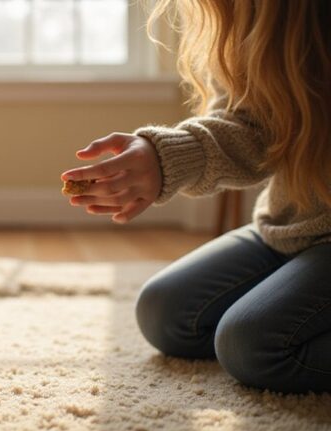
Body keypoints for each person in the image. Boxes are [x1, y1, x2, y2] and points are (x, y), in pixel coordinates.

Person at [61, 0, 331, 394]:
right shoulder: (248, 21)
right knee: (165, 313)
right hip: (292, 222)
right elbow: (252, 128)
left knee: (251, 347)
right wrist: (164, 156)